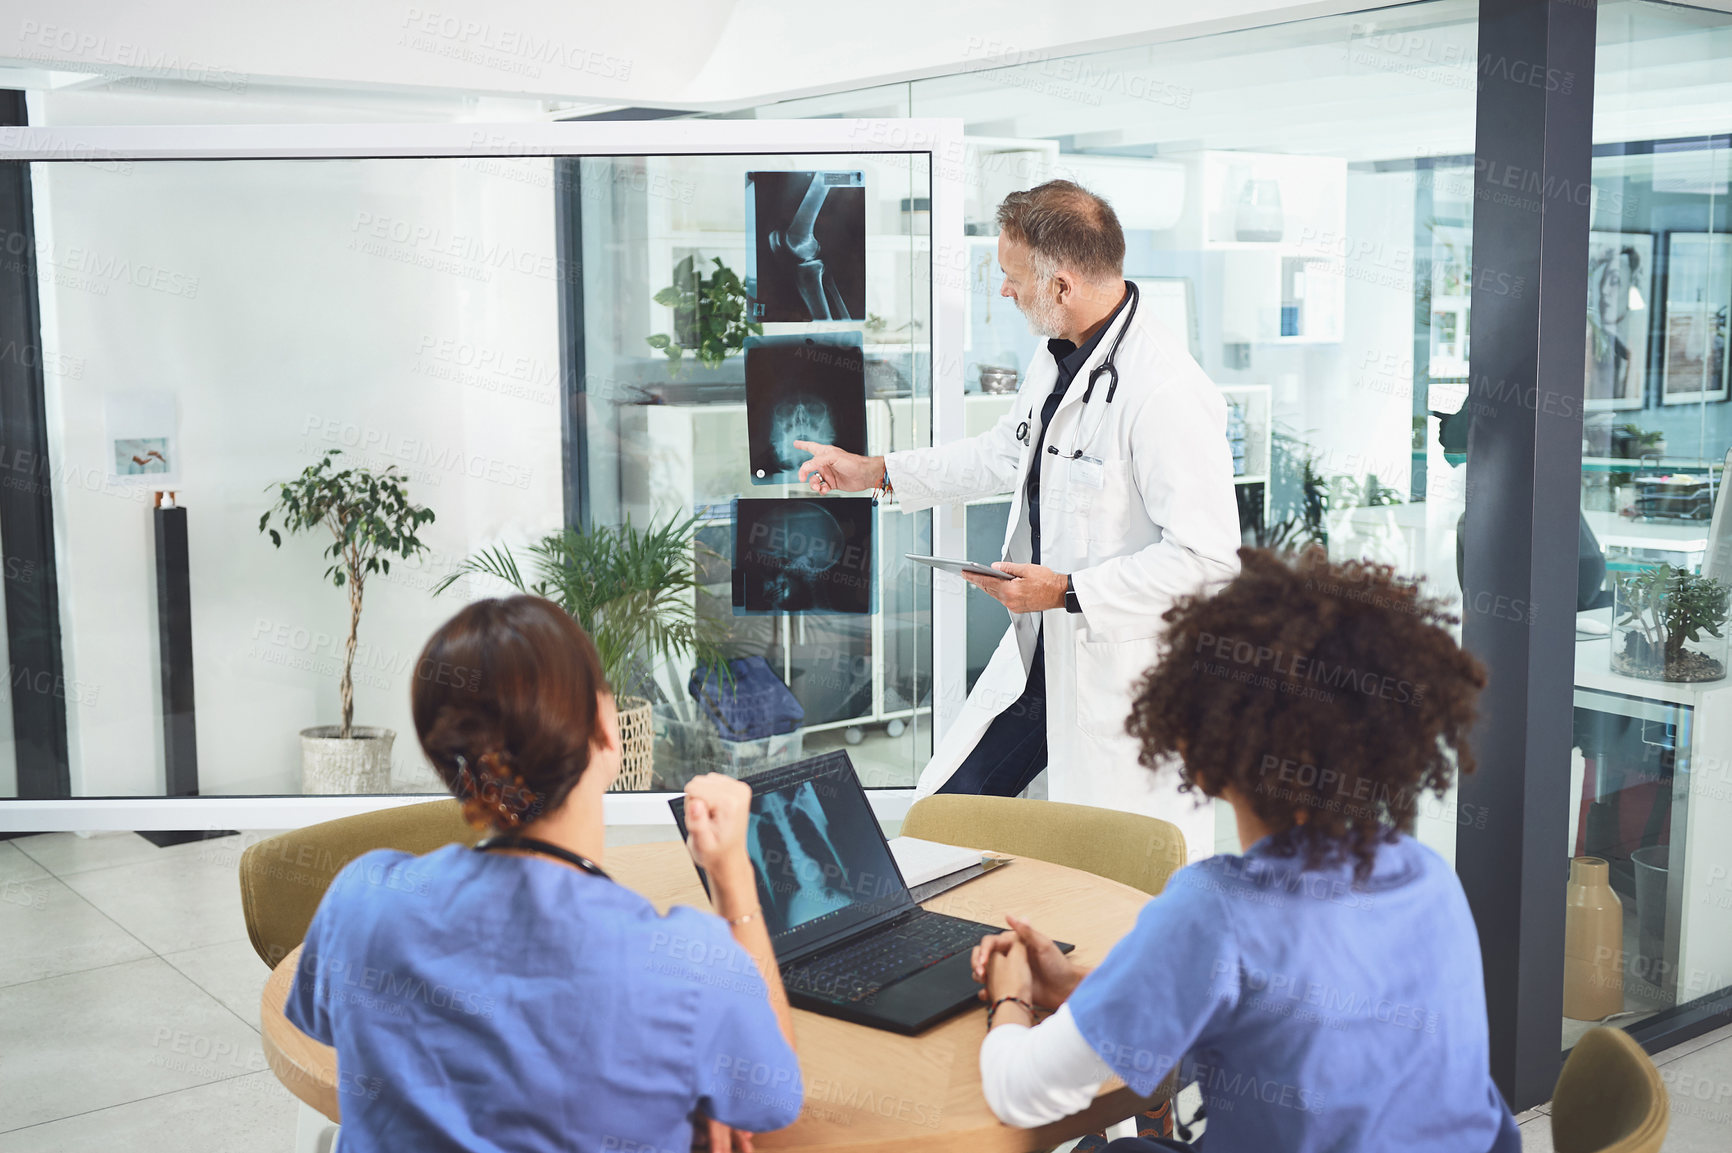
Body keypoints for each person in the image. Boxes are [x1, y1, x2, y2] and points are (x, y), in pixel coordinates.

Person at [969, 548, 1520, 1153]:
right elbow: (1273, 1012)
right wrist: (1078, 985)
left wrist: (1011, 995)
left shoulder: (1215, 912)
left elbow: (1020, 1093)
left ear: (1200, 745)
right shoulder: (1426, 875)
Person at [797, 180, 1240, 862]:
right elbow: (1003, 453)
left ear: (1060, 284)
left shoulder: (1168, 394)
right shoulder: (1060, 355)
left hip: (1111, 680)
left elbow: (1209, 563)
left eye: (1010, 278)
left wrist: (1065, 590)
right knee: (939, 823)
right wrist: (875, 469)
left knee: (1108, 882)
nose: (1003, 292)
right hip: (1040, 661)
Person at [285, 596, 801, 1152]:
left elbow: (331, 1029)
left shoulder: (363, 901)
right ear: (607, 726)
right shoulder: (686, 964)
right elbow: (773, 1101)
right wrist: (732, 879)